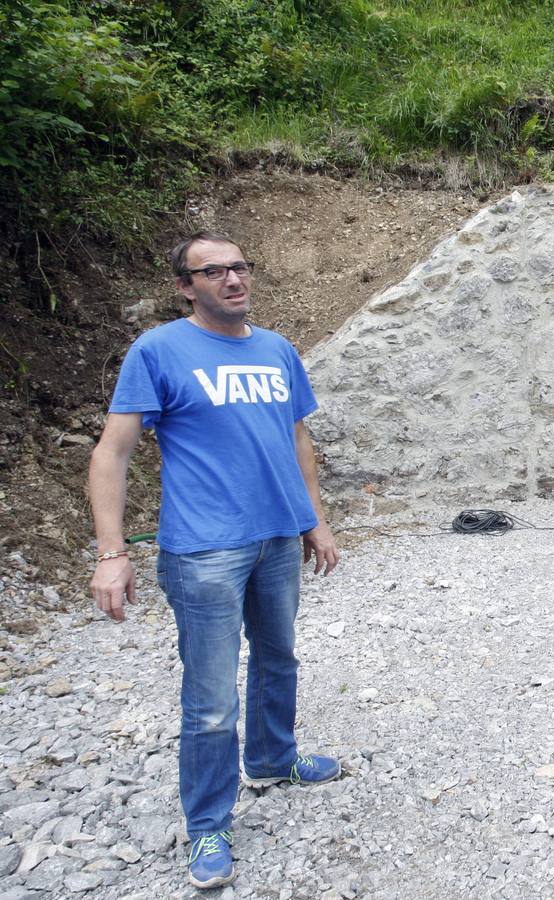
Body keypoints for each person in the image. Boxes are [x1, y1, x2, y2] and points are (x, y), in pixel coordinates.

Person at [88, 231, 341, 890]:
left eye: (240, 266)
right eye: (214, 271)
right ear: (186, 286)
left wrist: (313, 520)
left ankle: (272, 759)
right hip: (204, 550)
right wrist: (112, 553)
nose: (233, 279)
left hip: (277, 539)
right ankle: (207, 825)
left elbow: (297, 437)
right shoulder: (160, 351)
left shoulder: (277, 350)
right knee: (208, 701)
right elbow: (111, 453)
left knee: (279, 656)